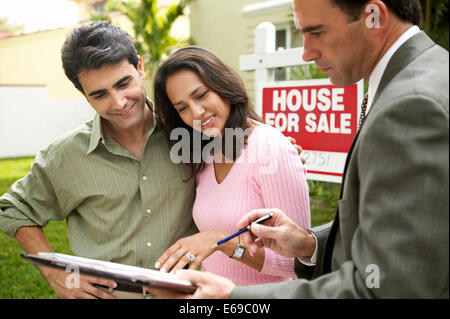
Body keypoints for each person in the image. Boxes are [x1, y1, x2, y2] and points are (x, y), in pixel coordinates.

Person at [149, 0, 449, 298]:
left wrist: (233, 296)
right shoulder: (413, 82)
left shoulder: (412, 103)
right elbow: (386, 228)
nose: (306, 52)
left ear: (374, 16)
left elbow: (392, 285)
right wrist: (310, 243)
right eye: (182, 107)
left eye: (316, 32)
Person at [0, 21, 198, 299]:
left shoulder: (190, 134)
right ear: (83, 94)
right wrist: (55, 270)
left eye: (123, 83)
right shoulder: (65, 155)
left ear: (139, 67)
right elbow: (14, 208)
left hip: (189, 297)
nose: (118, 102)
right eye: (99, 94)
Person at [151, 46, 310, 285]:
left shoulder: (270, 147)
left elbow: (299, 262)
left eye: (201, 94)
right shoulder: (205, 155)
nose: (196, 112)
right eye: (182, 107)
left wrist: (222, 242)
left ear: (222, 85)